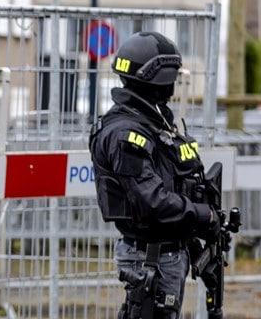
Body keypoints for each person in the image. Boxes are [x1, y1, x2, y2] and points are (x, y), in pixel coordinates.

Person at [89, 31, 220, 319]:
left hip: (166, 253)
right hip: (150, 259)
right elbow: (152, 201)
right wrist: (202, 215)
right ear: (157, 79)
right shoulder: (127, 134)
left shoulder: (154, 121)